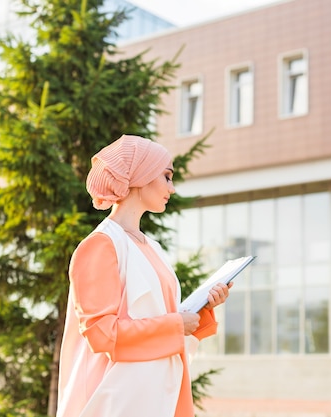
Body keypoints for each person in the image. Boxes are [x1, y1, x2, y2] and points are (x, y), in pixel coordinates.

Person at [56, 134, 231, 417]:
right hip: (117, 401)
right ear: (142, 175)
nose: (172, 189)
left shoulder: (152, 248)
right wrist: (175, 325)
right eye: (166, 176)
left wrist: (202, 309)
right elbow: (101, 334)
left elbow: (162, 318)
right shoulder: (100, 245)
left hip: (157, 395)